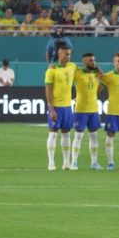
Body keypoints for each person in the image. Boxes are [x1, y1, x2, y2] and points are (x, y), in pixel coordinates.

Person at [44, 42, 76, 171]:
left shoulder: (73, 67)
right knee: (53, 134)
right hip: (56, 106)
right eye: (64, 54)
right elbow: (48, 90)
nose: (67, 57)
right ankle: (51, 163)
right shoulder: (51, 70)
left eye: (69, 54)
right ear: (58, 54)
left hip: (68, 106)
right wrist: (51, 109)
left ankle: (66, 163)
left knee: (66, 134)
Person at [71, 52, 104, 170]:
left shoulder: (96, 73)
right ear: (84, 61)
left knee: (94, 136)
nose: (93, 62)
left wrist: (97, 67)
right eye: (90, 60)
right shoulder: (77, 72)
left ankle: (94, 162)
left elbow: (103, 79)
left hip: (93, 110)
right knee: (78, 136)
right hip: (81, 110)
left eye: (94, 60)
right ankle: (74, 161)